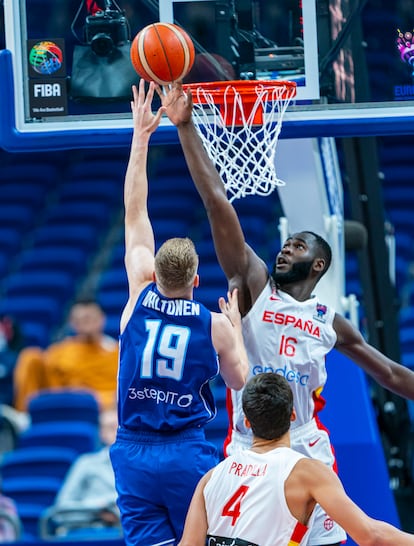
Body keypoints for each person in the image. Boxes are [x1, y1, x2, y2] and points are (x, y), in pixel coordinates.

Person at [160, 81, 414, 546]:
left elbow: (393, 376)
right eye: (285, 241)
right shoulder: (254, 286)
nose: (285, 248)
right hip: (249, 447)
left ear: (318, 263)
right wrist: (186, 128)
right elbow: (218, 203)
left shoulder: (328, 321)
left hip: (304, 445)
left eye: (298, 245)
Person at [109, 80, 248, 546]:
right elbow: (239, 382)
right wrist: (237, 331)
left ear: (155, 272)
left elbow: (134, 211)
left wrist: (141, 135)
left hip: (131, 448)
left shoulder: (137, 294)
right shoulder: (214, 327)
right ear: (196, 278)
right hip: (184, 449)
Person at [178, 373, 414, 546]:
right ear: (292, 416)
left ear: (247, 423)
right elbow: (370, 535)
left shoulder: (212, 477)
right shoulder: (306, 473)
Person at [13, 298, 118, 413]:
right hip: (65, 401)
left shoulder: (116, 351)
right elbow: (50, 379)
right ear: (72, 323)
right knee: (29, 355)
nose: (86, 325)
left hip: (102, 404)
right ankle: (25, 417)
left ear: (102, 319)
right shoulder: (60, 351)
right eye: (81, 320)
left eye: (90, 319)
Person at [42, 408, 120, 538]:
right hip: (87, 530)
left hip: (125, 532)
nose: (117, 432)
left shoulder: (140, 465)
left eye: (119, 427)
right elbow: (61, 510)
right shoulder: (86, 463)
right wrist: (97, 510)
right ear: (102, 433)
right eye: (111, 427)